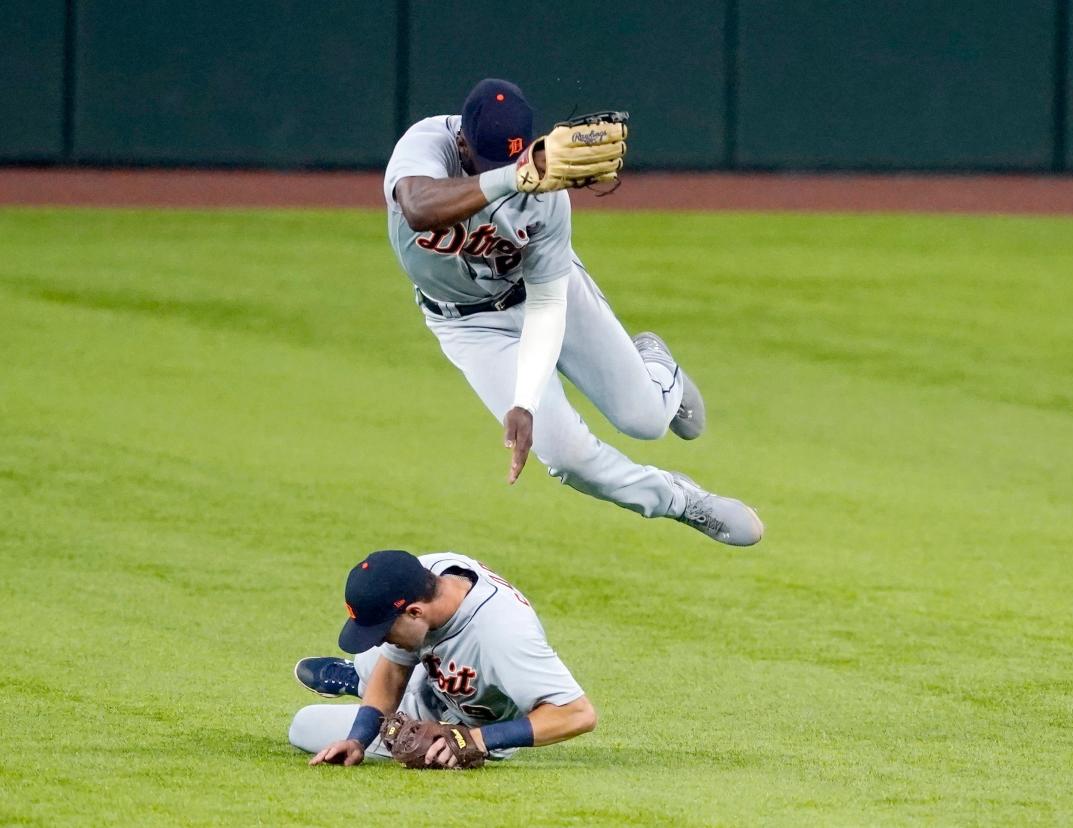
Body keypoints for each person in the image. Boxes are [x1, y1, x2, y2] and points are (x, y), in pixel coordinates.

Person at [382, 77, 763, 546]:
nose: (514, 171)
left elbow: (545, 303)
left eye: (516, 159)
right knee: (566, 456)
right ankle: (682, 501)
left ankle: (660, 370)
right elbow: (418, 208)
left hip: (542, 294)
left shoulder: (548, 192)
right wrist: (510, 176)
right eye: (496, 162)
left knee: (644, 420)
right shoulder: (427, 143)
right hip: (470, 325)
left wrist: (525, 398)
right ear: (463, 140)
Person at [289, 549, 595, 767]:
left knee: (304, 726)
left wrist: (476, 740)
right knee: (379, 659)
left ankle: (367, 681)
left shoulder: (503, 634)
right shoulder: (425, 574)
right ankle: (362, 678)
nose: (379, 638)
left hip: (471, 722)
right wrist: (357, 740)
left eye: (383, 631)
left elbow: (577, 714)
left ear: (415, 612)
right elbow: (394, 669)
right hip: (436, 678)